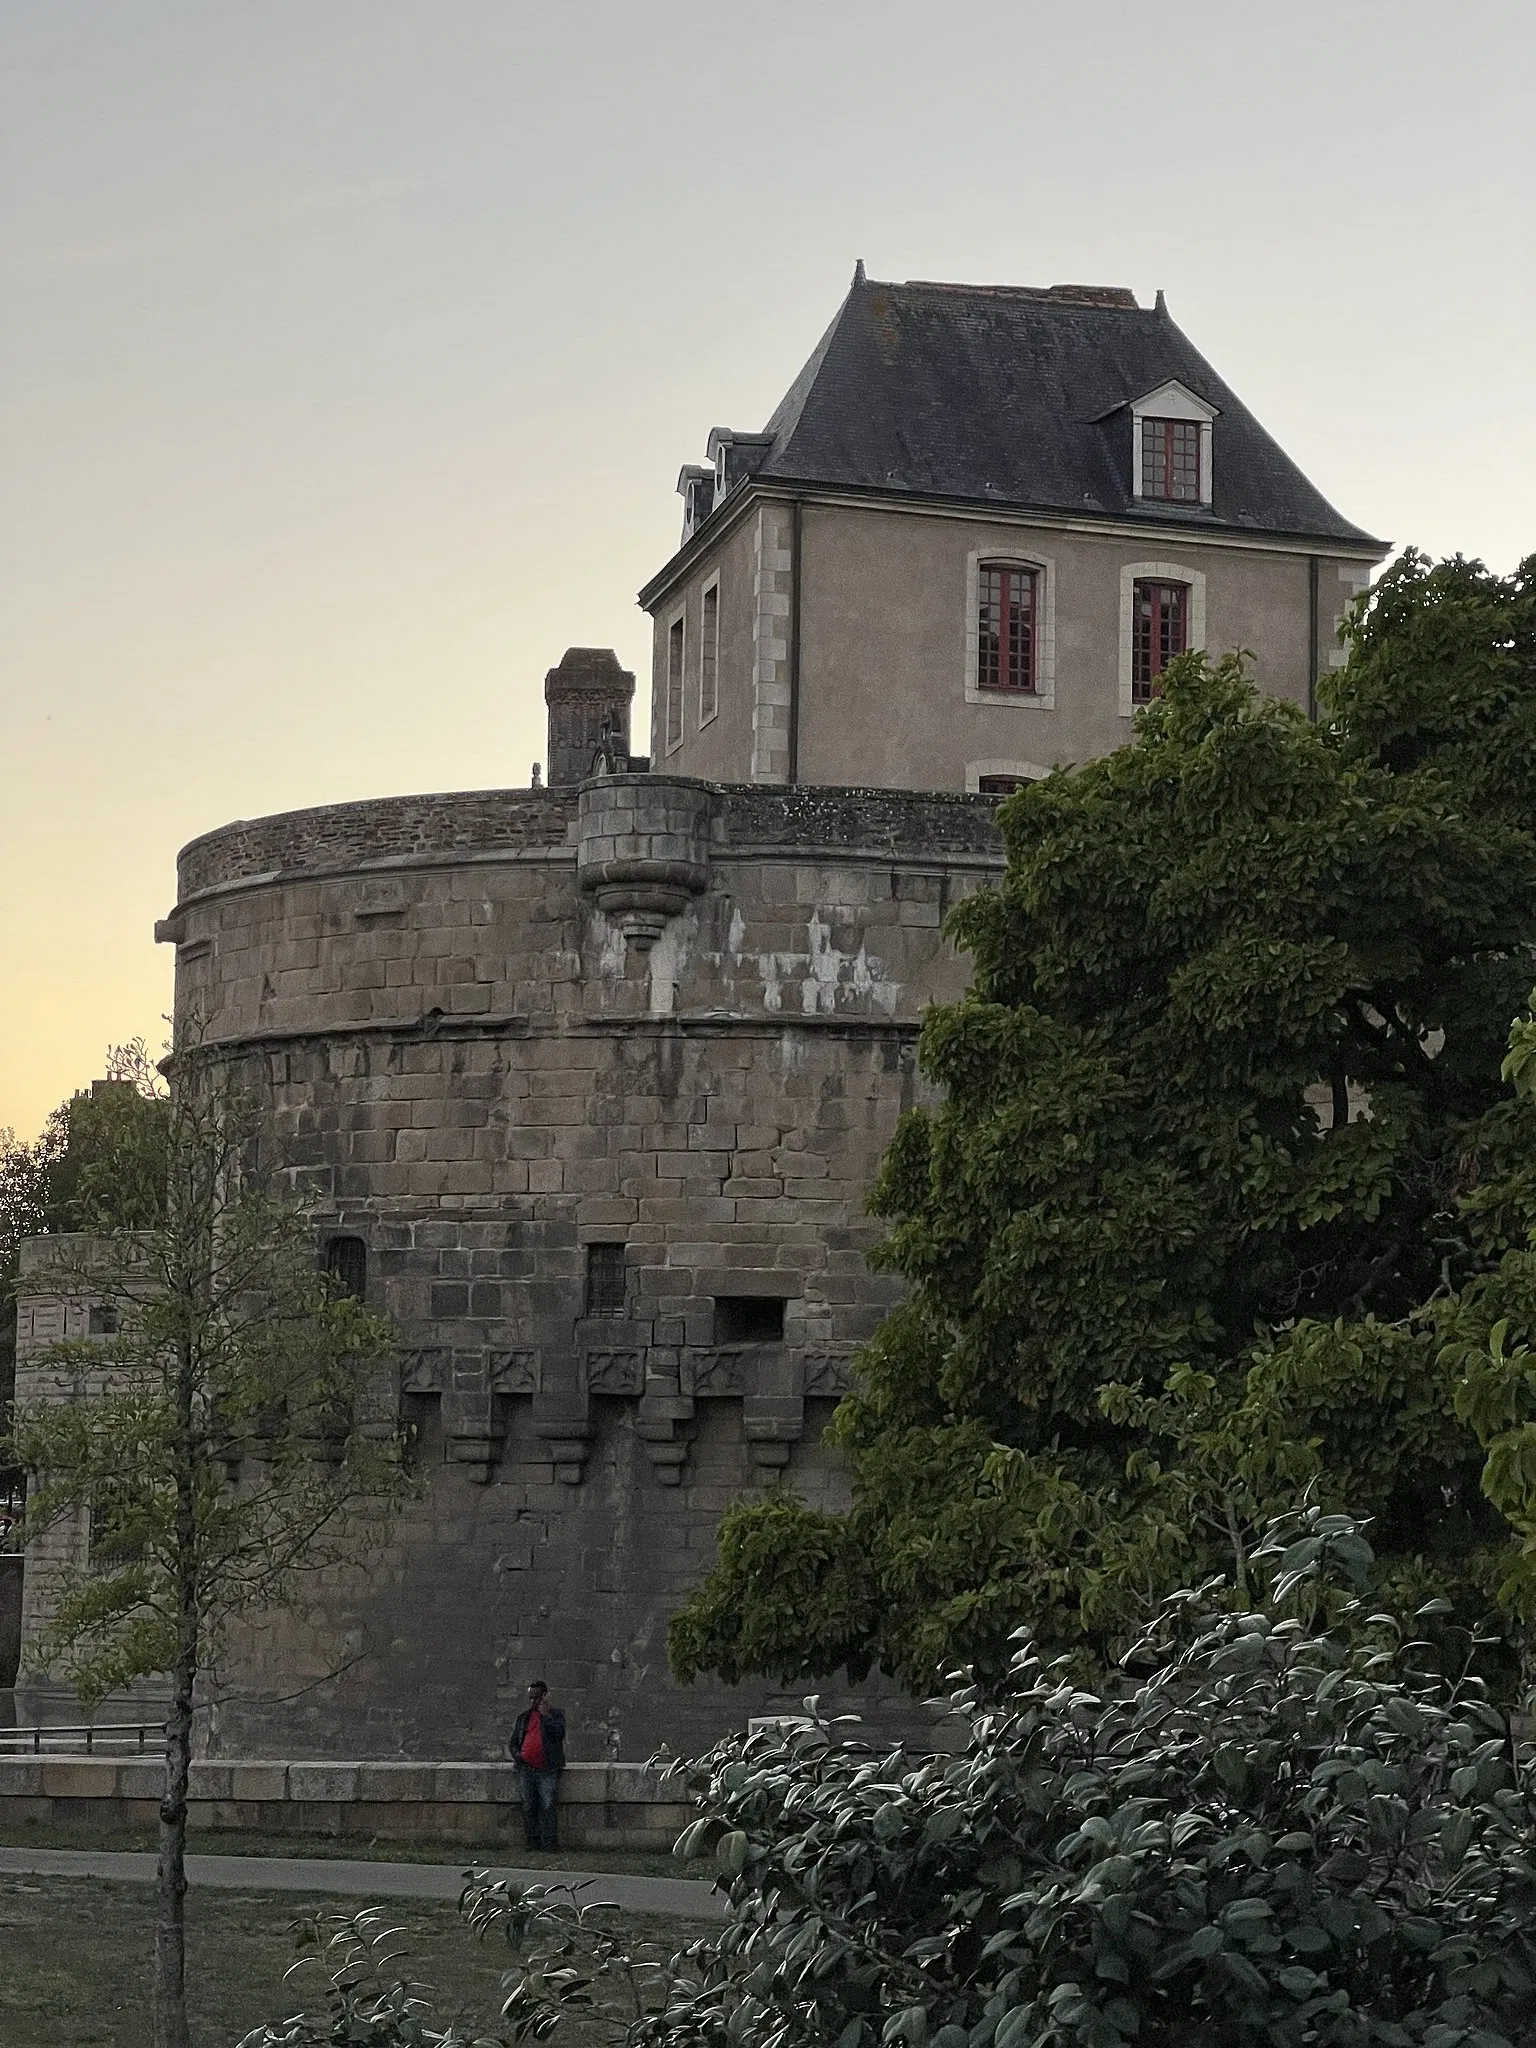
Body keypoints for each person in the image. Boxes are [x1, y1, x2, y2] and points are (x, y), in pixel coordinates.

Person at [509, 1678, 565, 1852]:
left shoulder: (555, 1716)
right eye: (531, 1698)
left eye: (537, 1698)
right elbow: (513, 1743)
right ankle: (532, 1842)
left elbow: (559, 1735)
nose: (533, 1702)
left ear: (544, 1697)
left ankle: (549, 1843)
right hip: (526, 1770)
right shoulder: (523, 1718)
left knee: (547, 1805)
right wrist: (520, 1757)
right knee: (528, 1806)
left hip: (547, 1770)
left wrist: (545, 1715)